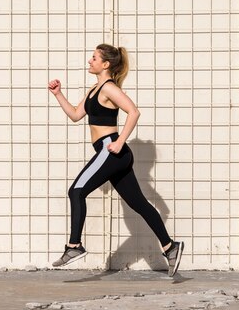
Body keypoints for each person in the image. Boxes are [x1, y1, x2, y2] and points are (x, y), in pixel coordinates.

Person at [47, 43, 184, 277]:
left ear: (106, 64)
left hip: (110, 149)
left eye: (94, 58)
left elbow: (134, 111)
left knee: (76, 191)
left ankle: (74, 246)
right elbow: (75, 116)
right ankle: (170, 247)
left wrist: (120, 141)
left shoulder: (109, 88)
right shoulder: (94, 89)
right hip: (111, 153)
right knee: (138, 203)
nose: (90, 61)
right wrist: (59, 94)